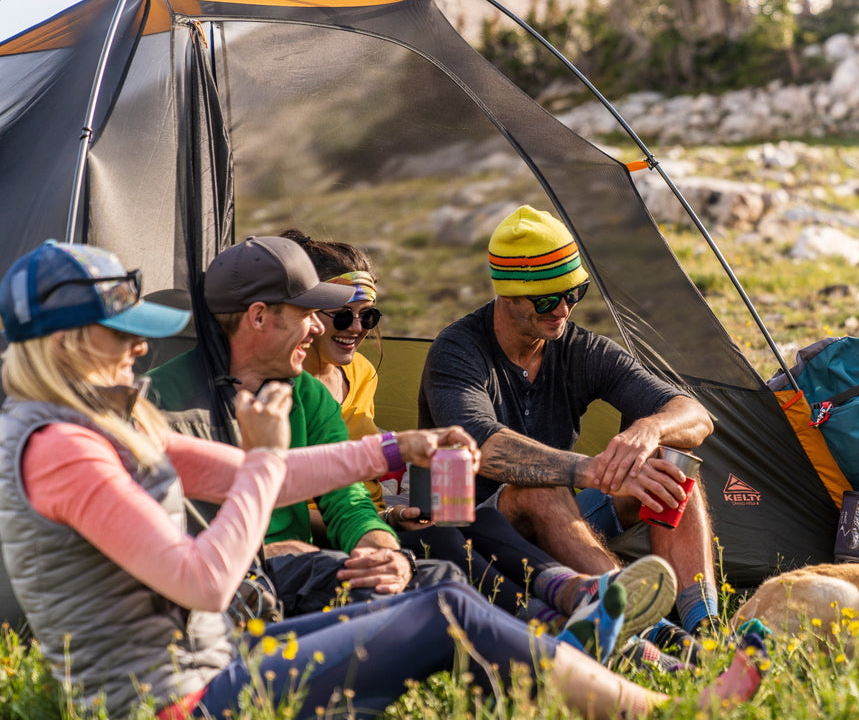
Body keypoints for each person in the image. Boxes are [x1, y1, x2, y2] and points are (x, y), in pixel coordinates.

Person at [0, 240, 769, 719]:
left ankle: (594, 659)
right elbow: (203, 578)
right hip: (180, 700)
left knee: (436, 597)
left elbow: (259, 473)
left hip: (210, 661)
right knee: (440, 615)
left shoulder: (95, 425)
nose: (138, 351)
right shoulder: (63, 449)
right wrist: (268, 459)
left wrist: (399, 447)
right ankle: (665, 709)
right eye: (120, 337)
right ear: (69, 343)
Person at [282, 228, 677, 638]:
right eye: (344, 316)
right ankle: (571, 623)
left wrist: (649, 428)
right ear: (305, 314)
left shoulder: (360, 372)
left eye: (370, 316)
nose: (358, 328)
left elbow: (352, 461)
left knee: (472, 525)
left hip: (384, 518)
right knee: (452, 537)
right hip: (355, 530)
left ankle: (616, 604)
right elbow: (305, 505)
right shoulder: (284, 395)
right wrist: (389, 514)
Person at [418, 205, 723, 647]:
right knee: (540, 484)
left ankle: (707, 629)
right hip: (474, 529)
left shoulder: (579, 347)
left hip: (560, 515)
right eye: (546, 299)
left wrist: (650, 430)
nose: (562, 309)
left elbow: (694, 414)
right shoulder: (457, 351)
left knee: (671, 468)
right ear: (507, 294)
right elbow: (480, 444)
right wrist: (589, 469)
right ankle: (642, 627)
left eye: (574, 293)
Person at [145, 235, 453, 614]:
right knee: (426, 598)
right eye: (305, 314)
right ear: (258, 317)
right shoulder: (160, 401)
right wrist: (269, 550)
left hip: (297, 569)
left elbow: (346, 498)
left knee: (439, 578)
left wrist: (383, 550)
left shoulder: (307, 395)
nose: (318, 328)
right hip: (226, 581)